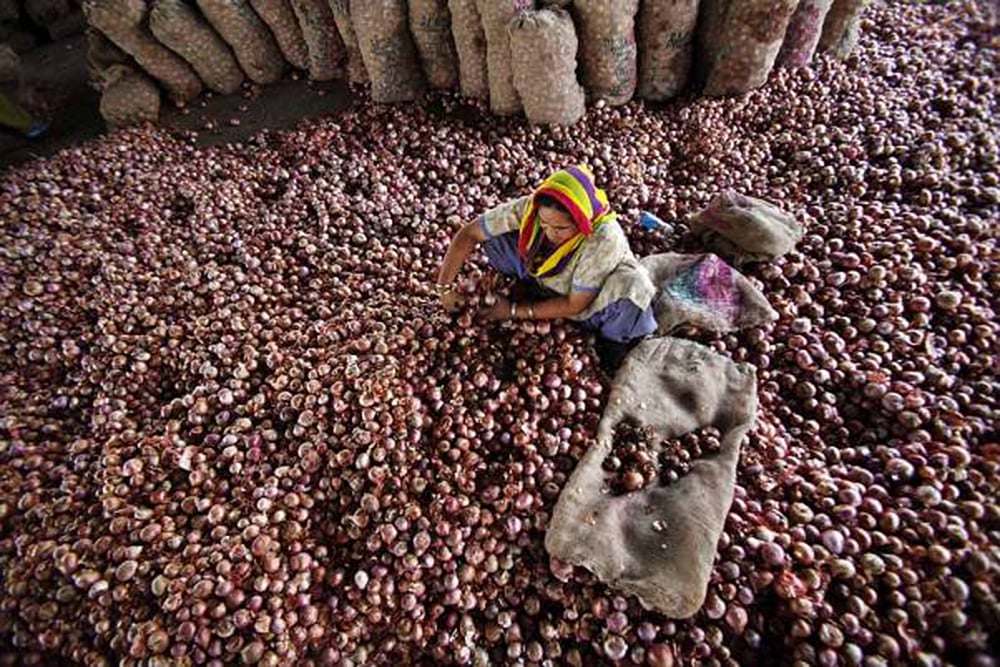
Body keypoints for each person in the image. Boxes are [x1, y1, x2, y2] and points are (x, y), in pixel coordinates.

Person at [436, 165, 658, 369]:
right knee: (495, 237)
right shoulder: (535, 207)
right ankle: (538, 292)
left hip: (591, 299)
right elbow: (470, 232)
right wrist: (444, 289)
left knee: (631, 289)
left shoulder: (604, 239)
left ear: (581, 221)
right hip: (549, 278)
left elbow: (576, 304)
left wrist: (514, 311)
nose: (551, 233)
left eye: (561, 228)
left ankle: (610, 346)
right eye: (544, 224)